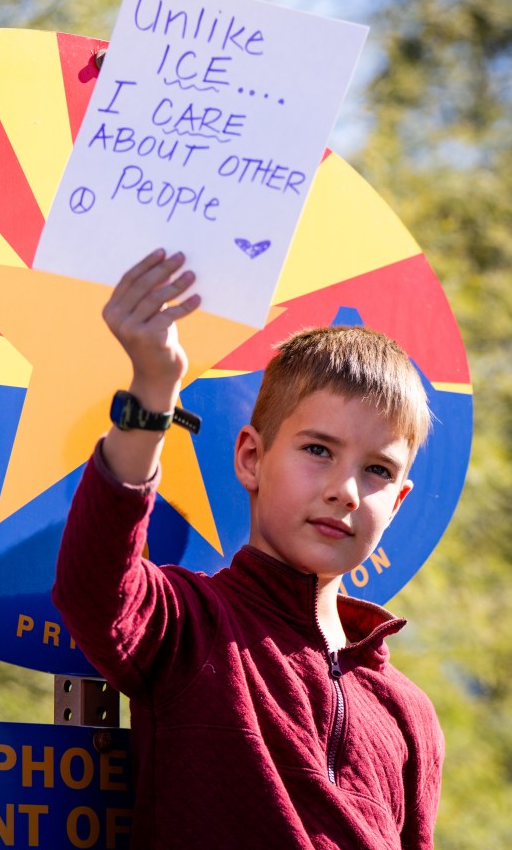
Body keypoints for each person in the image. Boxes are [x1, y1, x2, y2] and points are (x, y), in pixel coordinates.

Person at [53, 248, 444, 850]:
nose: (344, 490)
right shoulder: (192, 626)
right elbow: (94, 586)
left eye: (377, 470)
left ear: (397, 502)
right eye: (318, 450)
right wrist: (153, 392)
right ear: (252, 458)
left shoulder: (409, 716)